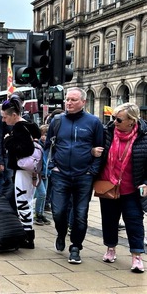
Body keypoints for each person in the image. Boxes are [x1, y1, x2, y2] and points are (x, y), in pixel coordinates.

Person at [44, 87, 103, 264]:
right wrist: (52, 166)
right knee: (58, 211)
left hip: (83, 175)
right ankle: (61, 233)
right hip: (60, 174)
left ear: (83, 102)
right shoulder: (57, 121)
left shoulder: (94, 122)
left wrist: (92, 171)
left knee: (80, 214)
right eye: (67, 99)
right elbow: (48, 146)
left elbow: (101, 149)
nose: (68, 103)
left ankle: (76, 247)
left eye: (73, 100)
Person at [95, 103, 146, 273]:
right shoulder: (106, 133)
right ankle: (110, 248)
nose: (114, 122)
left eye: (118, 119)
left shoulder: (144, 136)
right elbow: (95, 153)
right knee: (109, 220)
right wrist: (92, 151)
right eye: (113, 118)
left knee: (134, 222)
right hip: (108, 186)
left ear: (132, 121)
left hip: (131, 188)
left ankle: (137, 257)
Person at [2, 95, 41, 248]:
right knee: (26, 200)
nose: (4, 120)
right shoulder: (29, 124)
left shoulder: (19, 127)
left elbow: (25, 149)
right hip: (30, 170)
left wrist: (7, 141)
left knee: (22, 202)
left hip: (22, 169)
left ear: (14, 115)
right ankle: (27, 234)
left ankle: (27, 237)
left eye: (5, 117)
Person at [0, 91, 30, 212]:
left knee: (16, 188)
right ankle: (4, 212)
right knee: (7, 187)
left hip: (19, 160)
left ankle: (13, 212)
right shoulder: (1, 118)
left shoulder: (24, 117)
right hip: (6, 158)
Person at [33, 124, 51, 226]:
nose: (44, 137)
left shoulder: (49, 146)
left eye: (46, 135)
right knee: (42, 193)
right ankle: (37, 214)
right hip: (39, 173)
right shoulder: (37, 145)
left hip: (46, 172)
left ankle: (41, 213)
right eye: (42, 134)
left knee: (43, 195)